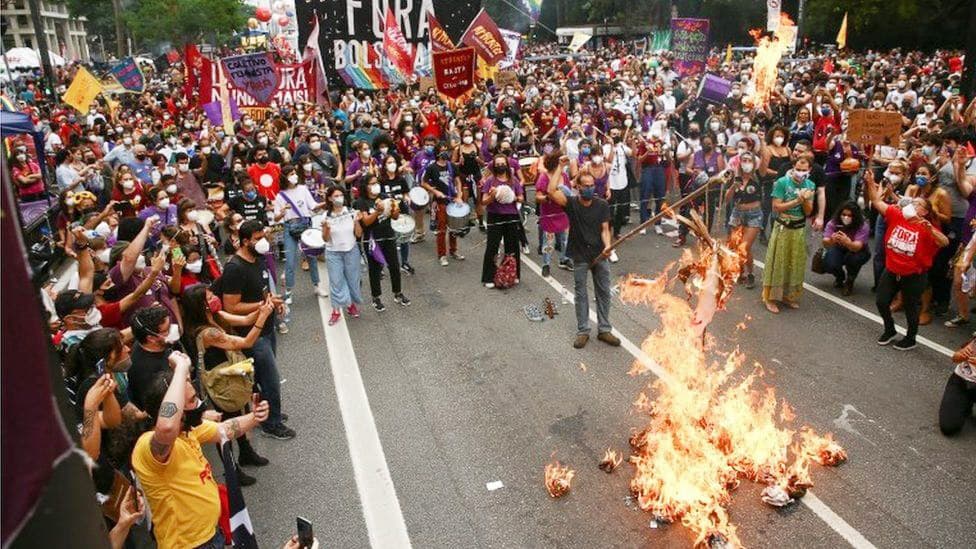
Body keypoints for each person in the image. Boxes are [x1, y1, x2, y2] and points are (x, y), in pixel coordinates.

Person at [132, 352, 270, 548]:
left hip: (211, 535)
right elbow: (167, 427)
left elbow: (224, 429)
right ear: (176, 409)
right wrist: (181, 368)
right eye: (191, 400)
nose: (199, 404)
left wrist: (255, 417)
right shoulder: (147, 447)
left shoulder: (189, 429)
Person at [181, 284, 275, 485]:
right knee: (226, 425)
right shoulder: (207, 333)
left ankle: (246, 452)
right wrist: (264, 315)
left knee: (241, 411)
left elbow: (244, 319)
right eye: (210, 296)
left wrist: (263, 306)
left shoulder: (214, 316)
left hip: (231, 373)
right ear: (202, 305)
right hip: (220, 384)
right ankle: (231, 469)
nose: (215, 297)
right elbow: (246, 342)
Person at [221, 220, 295, 439]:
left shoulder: (259, 259)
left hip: (267, 327)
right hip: (252, 334)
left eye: (263, 236)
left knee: (265, 377)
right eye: (257, 238)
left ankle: (269, 413)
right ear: (245, 241)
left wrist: (273, 302)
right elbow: (231, 306)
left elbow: (263, 292)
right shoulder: (235, 268)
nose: (263, 241)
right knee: (270, 379)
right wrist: (264, 304)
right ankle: (271, 424)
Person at [865, 169, 949, 350]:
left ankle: (910, 338)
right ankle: (890, 329)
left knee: (911, 307)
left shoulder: (927, 227)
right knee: (881, 301)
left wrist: (930, 229)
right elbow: (876, 201)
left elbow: (944, 242)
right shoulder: (897, 215)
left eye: (917, 203)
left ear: (925, 212)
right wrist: (870, 182)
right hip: (892, 270)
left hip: (914, 274)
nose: (911, 203)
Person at [546, 165, 620, 349]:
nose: (589, 188)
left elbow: (605, 230)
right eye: (585, 185)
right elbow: (551, 190)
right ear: (578, 187)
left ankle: (604, 329)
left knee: (603, 292)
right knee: (581, 294)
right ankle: (583, 331)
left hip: (599, 254)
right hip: (579, 254)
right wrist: (558, 168)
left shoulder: (602, 204)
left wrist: (608, 247)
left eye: (592, 185)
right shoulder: (571, 203)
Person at [763, 157, 816, 313]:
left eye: (803, 170)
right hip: (783, 228)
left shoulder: (810, 185)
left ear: (809, 170)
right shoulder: (782, 182)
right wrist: (797, 200)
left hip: (798, 229)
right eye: (797, 169)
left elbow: (808, 212)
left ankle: (788, 296)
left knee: (794, 263)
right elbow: (776, 207)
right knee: (778, 262)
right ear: (793, 167)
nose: (800, 173)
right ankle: (771, 298)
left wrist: (805, 201)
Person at [273, 166, 328, 300]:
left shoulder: (303, 189)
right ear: (285, 177)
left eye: (294, 173)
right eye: (291, 174)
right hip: (289, 228)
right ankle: (289, 292)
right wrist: (283, 211)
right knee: (290, 261)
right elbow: (276, 218)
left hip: (305, 225)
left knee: (312, 258)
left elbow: (313, 206)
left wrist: (328, 201)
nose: (295, 176)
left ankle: (317, 286)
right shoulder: (280, 196)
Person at [357, 175, 411, 311]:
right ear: (365, 186)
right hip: (372, 239)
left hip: (388, 235)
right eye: (372, 183)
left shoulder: (384, 196)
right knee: (375, 269)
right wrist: (378, 211)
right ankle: (376, 297)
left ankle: (398, 293)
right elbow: (365, 222)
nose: (376, 185)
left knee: (394, 266)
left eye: (377, 182)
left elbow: (395, 215)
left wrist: (395, 211)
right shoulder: (361, 202)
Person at [480, 154, 525, 287]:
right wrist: (493, 196)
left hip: (511, 216)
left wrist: (513, 197)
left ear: (507, 165)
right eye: (497, 164)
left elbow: (521, 197)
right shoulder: (490, 181)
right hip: (495, 216)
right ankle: (488, 277)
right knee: (492, 247)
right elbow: (483, 201)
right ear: (494, 166)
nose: (500, 166)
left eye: (502, 163)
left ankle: (513, 274)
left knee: (513, 247)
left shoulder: (514, 181)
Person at [322, 186, 364, 325]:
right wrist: (326, 228)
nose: (339, 198)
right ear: (329, 198)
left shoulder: (351, 212)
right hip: (333, 253)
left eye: (341, 195)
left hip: (351, 251)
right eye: (335, 196)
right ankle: (335, 311)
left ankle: (350, 304)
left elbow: (358, 234)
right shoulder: (326, 216)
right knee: (336, 282)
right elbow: (325, 239)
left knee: (353, 280)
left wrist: (357, 221)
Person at [725, 152, 763, 289]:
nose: (746, 162)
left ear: (754, 163)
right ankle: (740, 272)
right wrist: (733, 187)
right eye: (744, 160)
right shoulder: (735, 178)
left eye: (749, 160)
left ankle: (750, 273)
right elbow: (726, 199)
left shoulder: (758, 177)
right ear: (740, 163)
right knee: (736, 245)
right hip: (737, 213)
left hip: (754, 215)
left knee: (744, 247)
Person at [422, 149, 464, 266]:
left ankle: (453, 250)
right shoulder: (432, 168)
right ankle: (442, 255)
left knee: (454, 226)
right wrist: (435, 191)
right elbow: (424, 183)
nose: (446, 153)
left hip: (453, 199)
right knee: (441, 228)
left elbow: (457, 181)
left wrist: (459, 194)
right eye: (443, 150)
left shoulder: (452, 166)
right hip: (440, 201)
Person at [821, 201, 871, 296]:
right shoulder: (834, 222)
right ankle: (840, 277)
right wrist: (832, 240)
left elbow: (857, 247)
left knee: (853, 259)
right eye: (843, 214)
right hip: (839, 247)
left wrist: (848, 242)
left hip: (856, 251)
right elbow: (825, 242)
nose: (846, 217)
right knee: (829, 263)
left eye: (849, 215)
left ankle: (850, 280)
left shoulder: (862, 225)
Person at [535, 153, 573, 278]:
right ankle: (546, 264)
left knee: (565, 240)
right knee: (549, 242)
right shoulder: (544, 177)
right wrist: (547, 197)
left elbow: (569, 192)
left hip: (562, 213)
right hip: (549, 214)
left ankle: (565, 258)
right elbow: (538, 197)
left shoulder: (564, 176)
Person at [939, 338, 976, 436]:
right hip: (962, 380)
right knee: (948, 427)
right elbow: (955, 358)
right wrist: (960, 355)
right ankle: (966, 403)